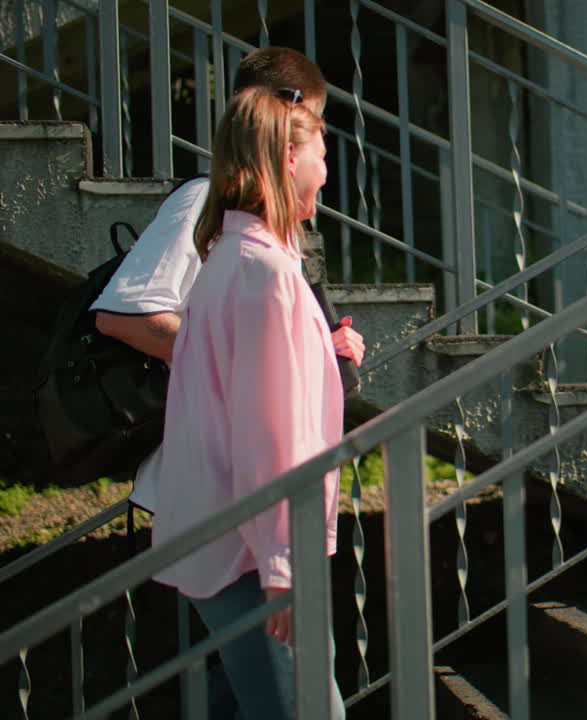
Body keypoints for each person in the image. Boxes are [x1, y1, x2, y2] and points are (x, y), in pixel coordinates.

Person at [90, 47, 364, 512]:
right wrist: (244, 371)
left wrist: (320, 349)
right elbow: (122, 317)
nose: (308, 141)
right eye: (303, 123)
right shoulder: (206, 200)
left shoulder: (267, 226)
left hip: (239, 482)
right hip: (207, 487)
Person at [152, 86, 344, 719]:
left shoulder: (232, 259)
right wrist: (284, 564)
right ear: (289, 159)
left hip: (238, 546)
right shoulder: (264, 273)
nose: (328, 165)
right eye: (321, 149)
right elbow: (269, 435)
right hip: (251, 555)